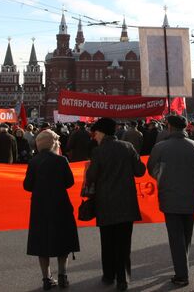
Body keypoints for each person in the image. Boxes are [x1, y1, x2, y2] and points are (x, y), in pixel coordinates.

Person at [85, 117, 146, 291]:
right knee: (124, 242)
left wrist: (90, 168)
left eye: (95, 132)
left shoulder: (98, 152)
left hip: (105, 203)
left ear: (102, 132)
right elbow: (140, 171)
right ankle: (123, 278)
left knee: (107, 241)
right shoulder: (127, 147)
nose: (94, 136)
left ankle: (108, 275)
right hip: (126, 202)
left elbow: (91, 177)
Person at [147, 115, 194, 287]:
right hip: (191, 195)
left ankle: (182, 273)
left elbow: (151, 169)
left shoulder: (160, 147)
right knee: (186, 235)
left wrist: (162, 178)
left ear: (170, 127)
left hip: (169, 196)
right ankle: (182, 268)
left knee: (176, 237)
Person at [23, 129, 80, 290]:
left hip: (40, 206)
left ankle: (46, 279)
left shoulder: (34, 161)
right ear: (53, 143)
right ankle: (62, 276)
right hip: (60, 204)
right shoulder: (61, 160)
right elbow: (69, 182)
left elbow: (27, 186)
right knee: (63, 240)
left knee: (42, 242)